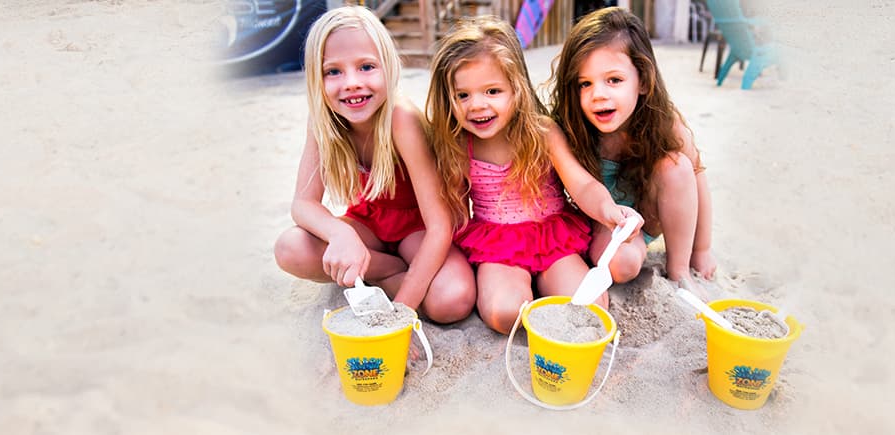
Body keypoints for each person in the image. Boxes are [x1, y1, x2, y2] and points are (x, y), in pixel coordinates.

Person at [425, 16, 641, 334]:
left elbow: (579, 183)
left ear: (517, 88)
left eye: (492, 91)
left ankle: (546, 288)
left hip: (554, 237)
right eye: (463, 95)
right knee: (504, 315)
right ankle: (521, 291)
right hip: (497, 243)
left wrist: (607, 209)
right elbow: (454, 209)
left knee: (590, 306)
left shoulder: (542, 131)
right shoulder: (459, 143)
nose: (477, 106)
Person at [273, 6, 475, 323]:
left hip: (418, 227)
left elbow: (439, 225)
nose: (351, 83)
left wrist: (403, 312)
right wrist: (342, 235)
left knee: (452, 299)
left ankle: (383, 277)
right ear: (316, 77)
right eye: (333, 72)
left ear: (388, 67)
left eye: (366, 67)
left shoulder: (400, 118)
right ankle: (386, 270)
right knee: (290, 249)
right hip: (370, 224)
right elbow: (303, 203)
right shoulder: (323, 120)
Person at [548, 7, 716, 296]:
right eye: (584, 84)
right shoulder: (571, 127)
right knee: (623, 266)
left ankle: (678, 271)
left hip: (646, 213)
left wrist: (702, 249)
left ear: (643, 81)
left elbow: (697, 179)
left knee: (678, 165)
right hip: (598, 220)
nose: (598, 94)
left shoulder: (663, 121)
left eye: (614, 80)